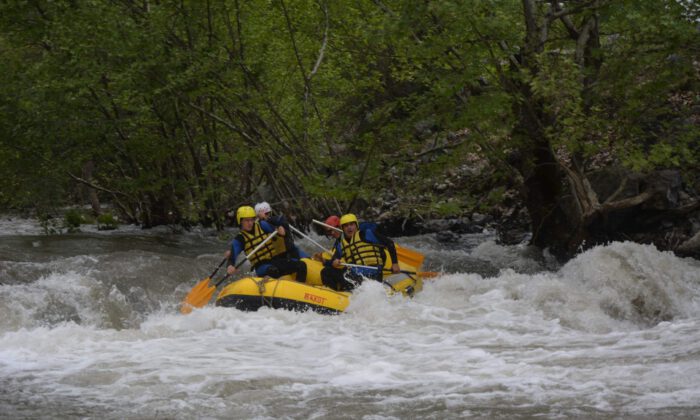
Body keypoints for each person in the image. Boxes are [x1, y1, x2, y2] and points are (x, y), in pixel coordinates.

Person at [320, 213, 400, 291]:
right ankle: (338, 295)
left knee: (349, 276)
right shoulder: (341, 245)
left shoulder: (367, 234)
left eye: (352, 224)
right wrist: (331, 262)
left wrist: (395, 263)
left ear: (356, 226)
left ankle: (348, 292)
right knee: (326, 272)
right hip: (356, 275)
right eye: (346, 226)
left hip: (373, 274)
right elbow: (334, 260)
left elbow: (390, 243)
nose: (349, 228)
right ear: (342, 228)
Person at [226, 206, 306, 282]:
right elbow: (232, 257)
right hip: (261, 266)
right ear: (240, 221)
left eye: (251, 220)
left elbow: (277, 228)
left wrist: (281, 231)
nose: (250, 223)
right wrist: (230, 266)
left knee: (301, 265)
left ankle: (300, 288)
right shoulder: (240, 239)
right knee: (273, 271)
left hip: (275, 260)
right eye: (247, 220)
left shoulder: (262, 225)